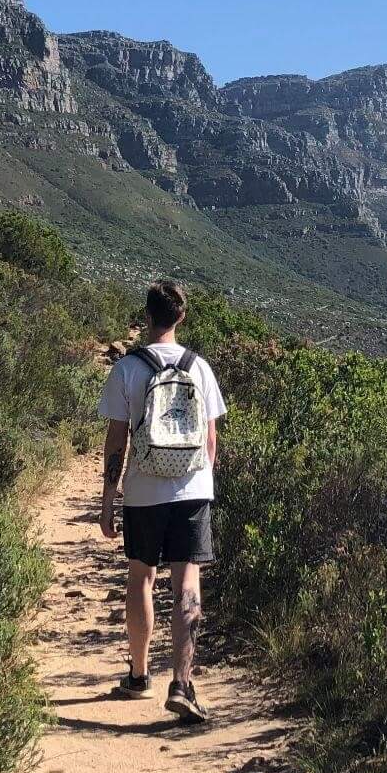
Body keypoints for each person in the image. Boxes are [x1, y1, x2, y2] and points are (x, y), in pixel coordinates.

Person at [97, 279, 226, 722]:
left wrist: (109, 496)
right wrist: (199, 481)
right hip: (191, 489)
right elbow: (210, 441)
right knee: (187, 582)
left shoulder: (128, 369)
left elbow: (116, 441)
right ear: (181, 317)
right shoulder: (200, 368)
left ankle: (138, 674)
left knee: (141, 578)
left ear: (147, 316)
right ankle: (183, 683)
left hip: (142, 490)